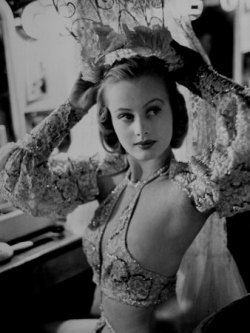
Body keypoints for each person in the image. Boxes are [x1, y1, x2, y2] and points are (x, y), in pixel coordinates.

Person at [1, 14, 250, 333]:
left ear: (174, 109)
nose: (141, 129)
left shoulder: (188, 189)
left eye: (153, 109)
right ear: (110, 121)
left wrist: (197, 74)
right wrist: (72, 108)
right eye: (125, 116)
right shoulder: (107, 174)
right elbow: (15, 176)